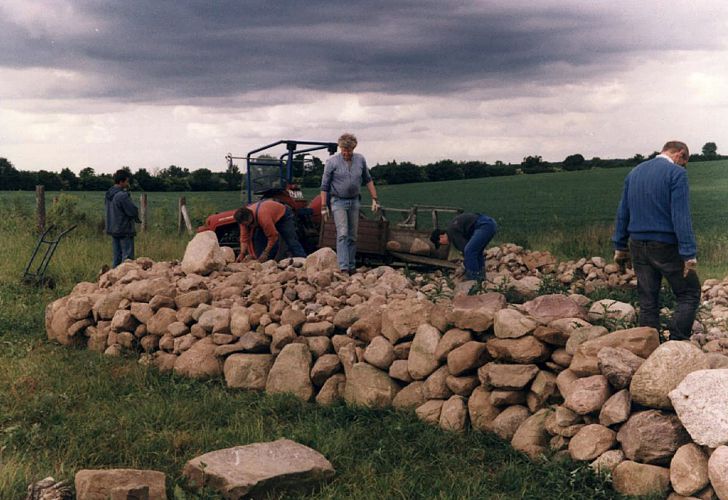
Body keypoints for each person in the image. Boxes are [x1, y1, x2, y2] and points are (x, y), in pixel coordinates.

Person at [612, 140, 700, 340]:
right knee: (689, 293)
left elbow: (623, 211)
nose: (682, 166)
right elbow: (681, 216)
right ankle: (676, 344)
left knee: (648, 299)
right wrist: (688, 254)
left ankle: (648, 347)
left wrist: (619, 245)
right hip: (664, 246)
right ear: (680, 155)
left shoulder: (634, 172)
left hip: (637, 244)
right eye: (683, 162)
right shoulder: (676, 174)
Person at [320, 133, 380, 273]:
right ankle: (343, 267)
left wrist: (375, 199)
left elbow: (368, 179)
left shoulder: (360, 160)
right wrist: (324, 206)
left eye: (349, 150)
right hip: (338, 201)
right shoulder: (332, 162)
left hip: (354, 201)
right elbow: (324, 186)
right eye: (344, 150)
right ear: (340, 148)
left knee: (353, 235)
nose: (346, 153)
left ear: (354, 148)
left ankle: (352, 265)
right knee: (342, 233)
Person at [430, 213, 497, 282]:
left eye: (440, 243)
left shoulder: (452, 233)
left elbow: (466, 251)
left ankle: (474, 279)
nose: (442, 244)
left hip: (483, 225)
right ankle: (481, 278)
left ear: (441, 237)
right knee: (477, 252)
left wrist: (463, 267)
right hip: (489, 223)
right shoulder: (453, 230)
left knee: (470, 251)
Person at [234, 199, 306, 262]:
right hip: (266, 215)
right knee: (259, 240)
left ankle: (303, 260)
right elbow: (244, 238)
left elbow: (273, 237)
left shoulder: (264, 218)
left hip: (282, 215)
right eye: (245, 225)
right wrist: (242, 253)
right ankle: (266, 263)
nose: (248, 226)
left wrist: (265, 253)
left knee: (290, 239)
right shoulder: (243, 222)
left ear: (250, 216)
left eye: (248, 224)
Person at [105, 169, 140, 268]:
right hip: (124, 229)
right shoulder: (122, 195)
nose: (128, 183)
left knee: (117, 258)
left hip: (113, 228)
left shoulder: (108, 194)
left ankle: (114, 281)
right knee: (127, 259)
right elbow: (132, 211)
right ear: (121, 182)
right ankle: (126, 281)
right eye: (127, 181)